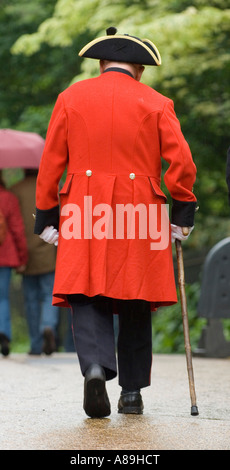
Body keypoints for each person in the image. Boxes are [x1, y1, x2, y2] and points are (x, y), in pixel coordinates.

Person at [34, 27, 197, 417]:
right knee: (135, 295)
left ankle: (94, 367)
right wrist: (182, 212)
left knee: (86, 292)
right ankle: (131, 392)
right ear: (139, 69)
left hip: (83, 207)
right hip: (141, 209)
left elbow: (51, 161)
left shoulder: (70, 98)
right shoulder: (157, 102)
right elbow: (181, 164)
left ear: (102, 64)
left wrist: (46, 215)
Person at [11, 170, 59, 355]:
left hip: (26, 254)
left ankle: (36, 344)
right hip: (48, 250)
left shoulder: (15, 190)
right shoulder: (52, 189)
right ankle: (48, 326)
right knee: (49, 295)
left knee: (31, 299)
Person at [0, 171, 28, 356]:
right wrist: (22, 258)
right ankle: (4, 333)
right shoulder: (8, 197)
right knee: (2, 298)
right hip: (5, 254)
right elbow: (18, 229)